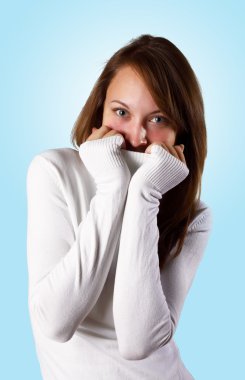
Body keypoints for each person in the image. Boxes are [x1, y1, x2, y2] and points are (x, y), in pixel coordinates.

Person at [26, 34, 212, 380]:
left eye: (158, 119)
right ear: (100, 112)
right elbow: (54, 322)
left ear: (181, 133)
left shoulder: (195, 215)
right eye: (121, 112)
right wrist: (113, 188)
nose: (137, 136)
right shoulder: (53, 172)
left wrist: (144, 194)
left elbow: (137, 343)